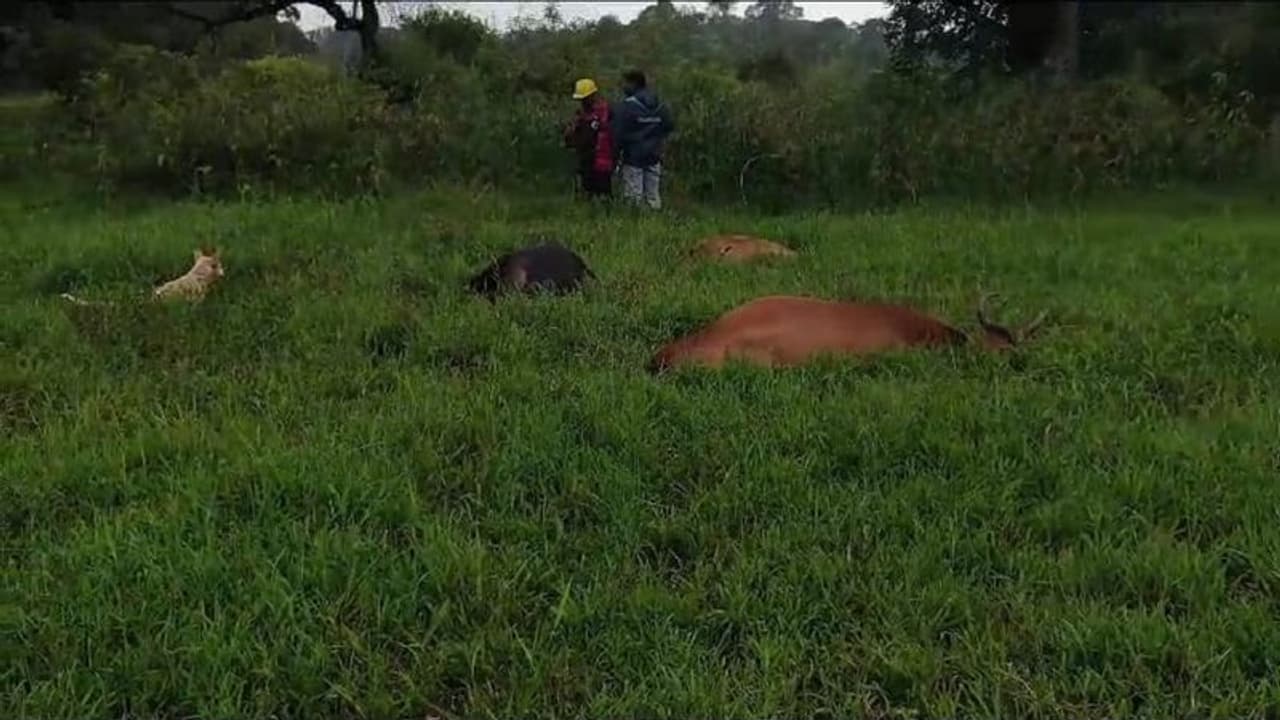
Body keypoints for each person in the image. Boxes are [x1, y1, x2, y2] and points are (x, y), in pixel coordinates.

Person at [613, 69, 675, 210]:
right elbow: (669, 126)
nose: (623, 87)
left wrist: (615, 155)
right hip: (654, 155)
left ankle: (635, 221)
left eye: (625, 83)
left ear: (633, 84)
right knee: (653, 195)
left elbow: (617, 133)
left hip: (633, 157)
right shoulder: (659, 104)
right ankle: (655, 220)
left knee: (633, 196)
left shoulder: (627, 107)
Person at [562, 78, 614, 200]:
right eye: (581, 99)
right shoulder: (580, 115)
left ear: (593, 96)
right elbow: (572, 136)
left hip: (601, 158)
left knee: (603, 193)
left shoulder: (605, 112)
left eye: (585, 98)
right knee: (587, 191)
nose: (583, 102)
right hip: (586, 158)